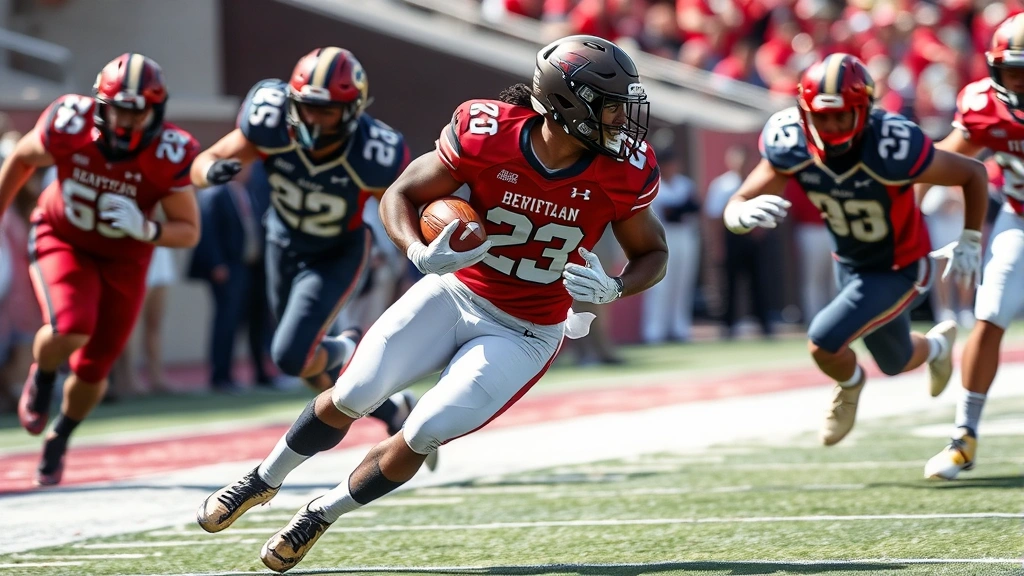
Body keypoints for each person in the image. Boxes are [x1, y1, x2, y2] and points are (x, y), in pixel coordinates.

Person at [196, 35, 668, 573]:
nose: (621, 119)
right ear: (566, 104)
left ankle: (320, 514)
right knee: (353, 391)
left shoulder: (623, 169)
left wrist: (616, 287)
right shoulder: (490, 134)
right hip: (454, 292)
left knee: (424, 430)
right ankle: (262, 479)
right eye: (609, 105)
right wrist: (416, 250)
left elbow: (652, 253)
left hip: (526, 330)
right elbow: (401, 194)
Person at [724, 53, 987, 447]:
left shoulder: (891, 144)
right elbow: (741, 197)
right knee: (895, 361)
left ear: (863, 111)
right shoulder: (792, 142)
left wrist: (971, 238)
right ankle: (936, 346)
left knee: (823, 341)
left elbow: (972, 172)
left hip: (900, 266)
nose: (831, 127)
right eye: (822, 117)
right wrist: (738, 214)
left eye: (841, 116)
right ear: (804, 113)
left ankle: (849, 386)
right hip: (849, 263)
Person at [190, 47, 418, 431]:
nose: (312, 118)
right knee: (306, 367)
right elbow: (204, 160)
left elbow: (401, 205)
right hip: (281, 244)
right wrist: (211, 172)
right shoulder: (272, 123)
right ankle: (391, 411)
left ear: (351, 111)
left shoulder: (372, 150)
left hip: (335, 252)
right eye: (306, 106)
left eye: (325, 110)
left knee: (291, 357)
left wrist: (412, 256)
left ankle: (348, 342)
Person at [0, 53, 202, 485]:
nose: (128, 121)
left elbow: (188, 231)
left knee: (95, 369)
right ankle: (45, 374)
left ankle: (61, 435)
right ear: (99, 105)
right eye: (119, 109)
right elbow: (21, 158)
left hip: (126, 260)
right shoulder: (69, 124)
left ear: (156, 111)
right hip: (63, 238)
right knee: (71, 326)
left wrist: (146, 228)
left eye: (138, 111)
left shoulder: (168, 152)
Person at [922, 14, 1024, 479]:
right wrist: (904, 218)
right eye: (1012, 70)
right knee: (990, 311)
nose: (1018, 82)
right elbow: (940, 160)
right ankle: (964, 436)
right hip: (1019, 217)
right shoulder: (986, 106)